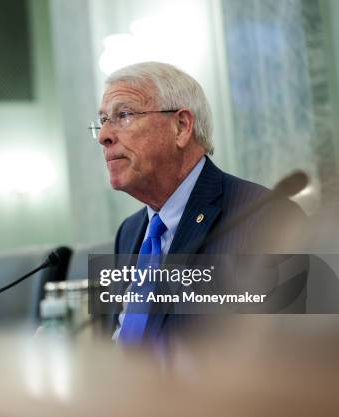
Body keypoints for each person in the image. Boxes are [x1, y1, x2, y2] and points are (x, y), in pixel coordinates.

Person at [93, 62, 307, 345]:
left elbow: (289, 357)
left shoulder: (265, 219)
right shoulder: (129, 232)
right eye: (103, 120)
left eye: (124, 115)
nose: (103, 136)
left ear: (181, 127)